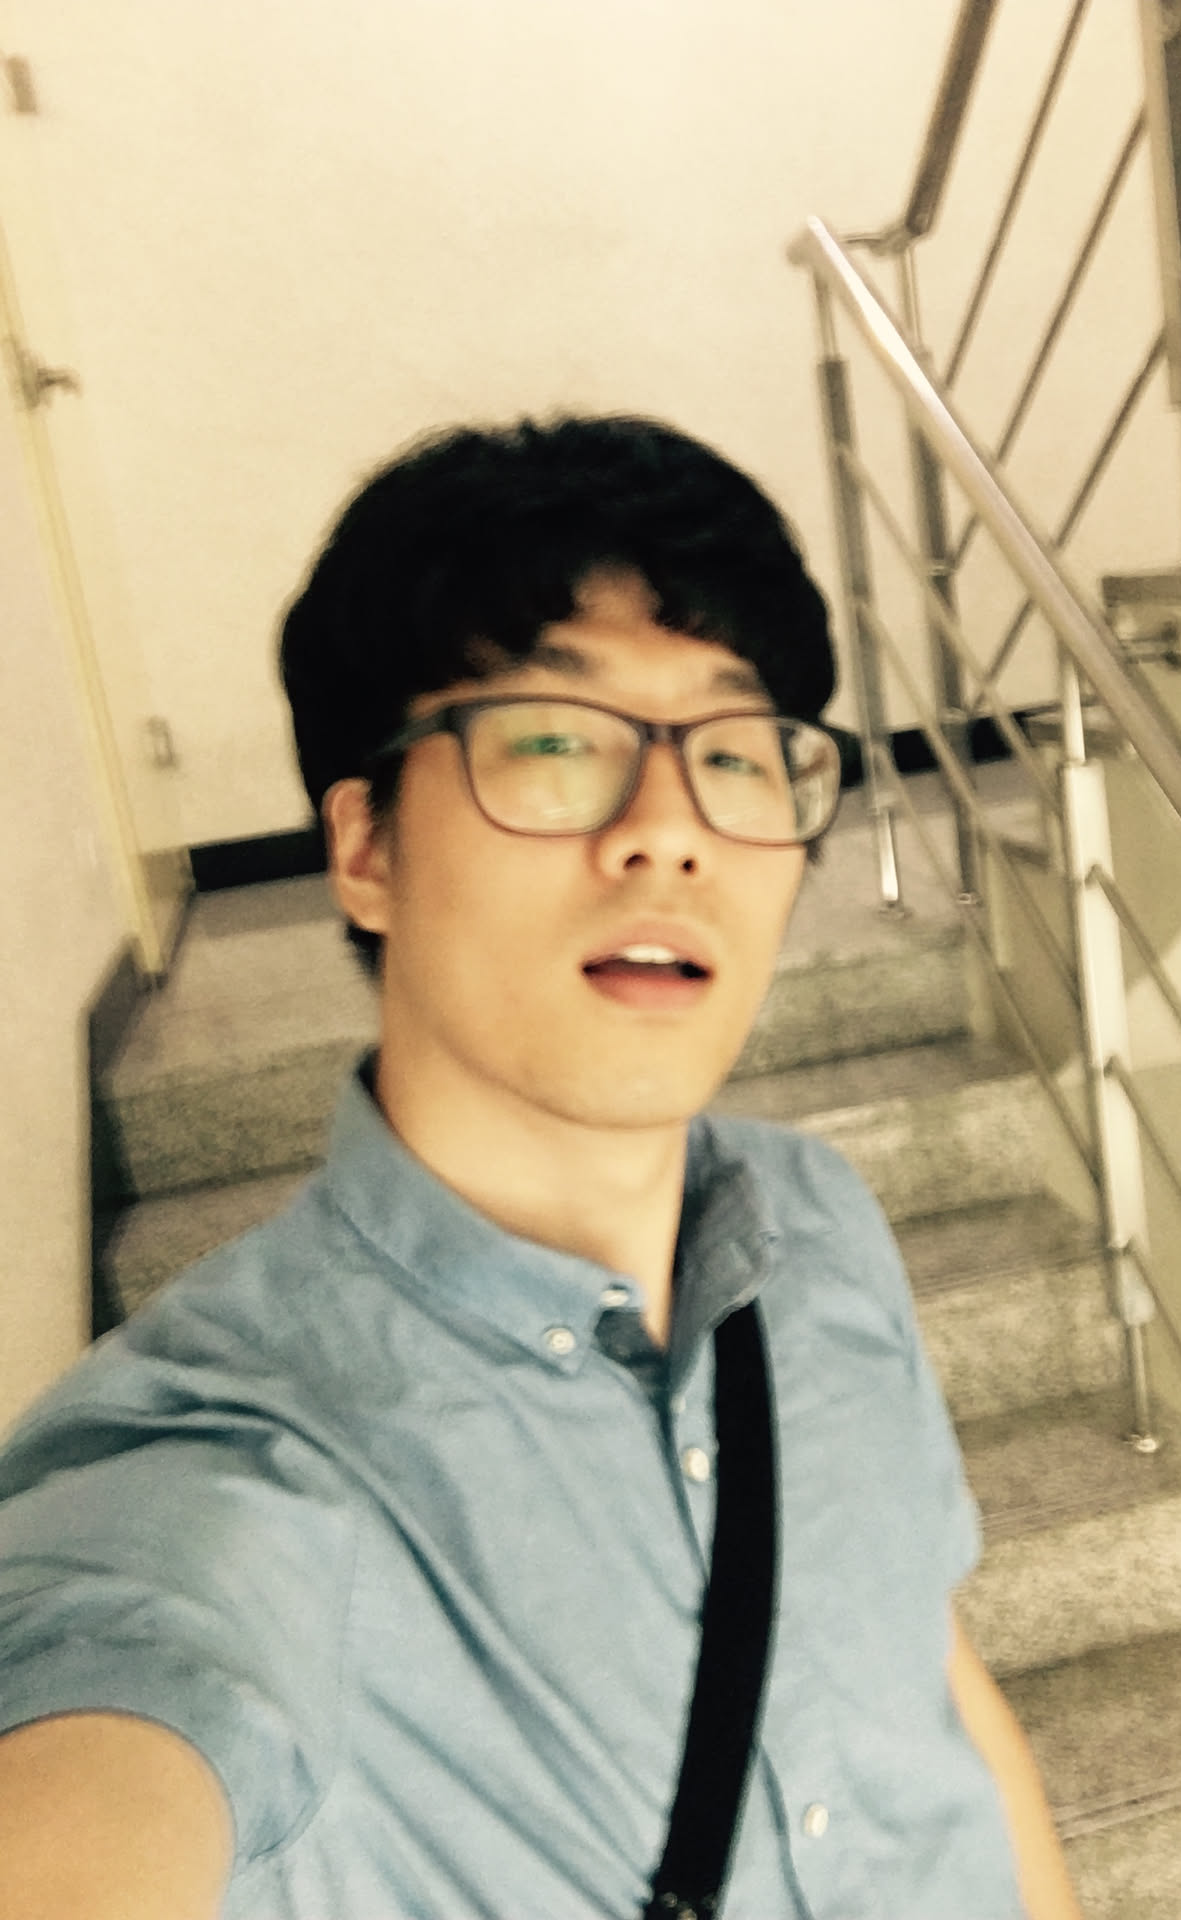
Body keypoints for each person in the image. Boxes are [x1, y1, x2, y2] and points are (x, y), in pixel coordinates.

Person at [0, 416, 1081, 1919]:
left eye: (734, 754)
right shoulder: (231, 1480)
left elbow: (938, 1690)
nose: (668, 834)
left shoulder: (817, 1221)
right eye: (556, 743)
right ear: (367, 849)